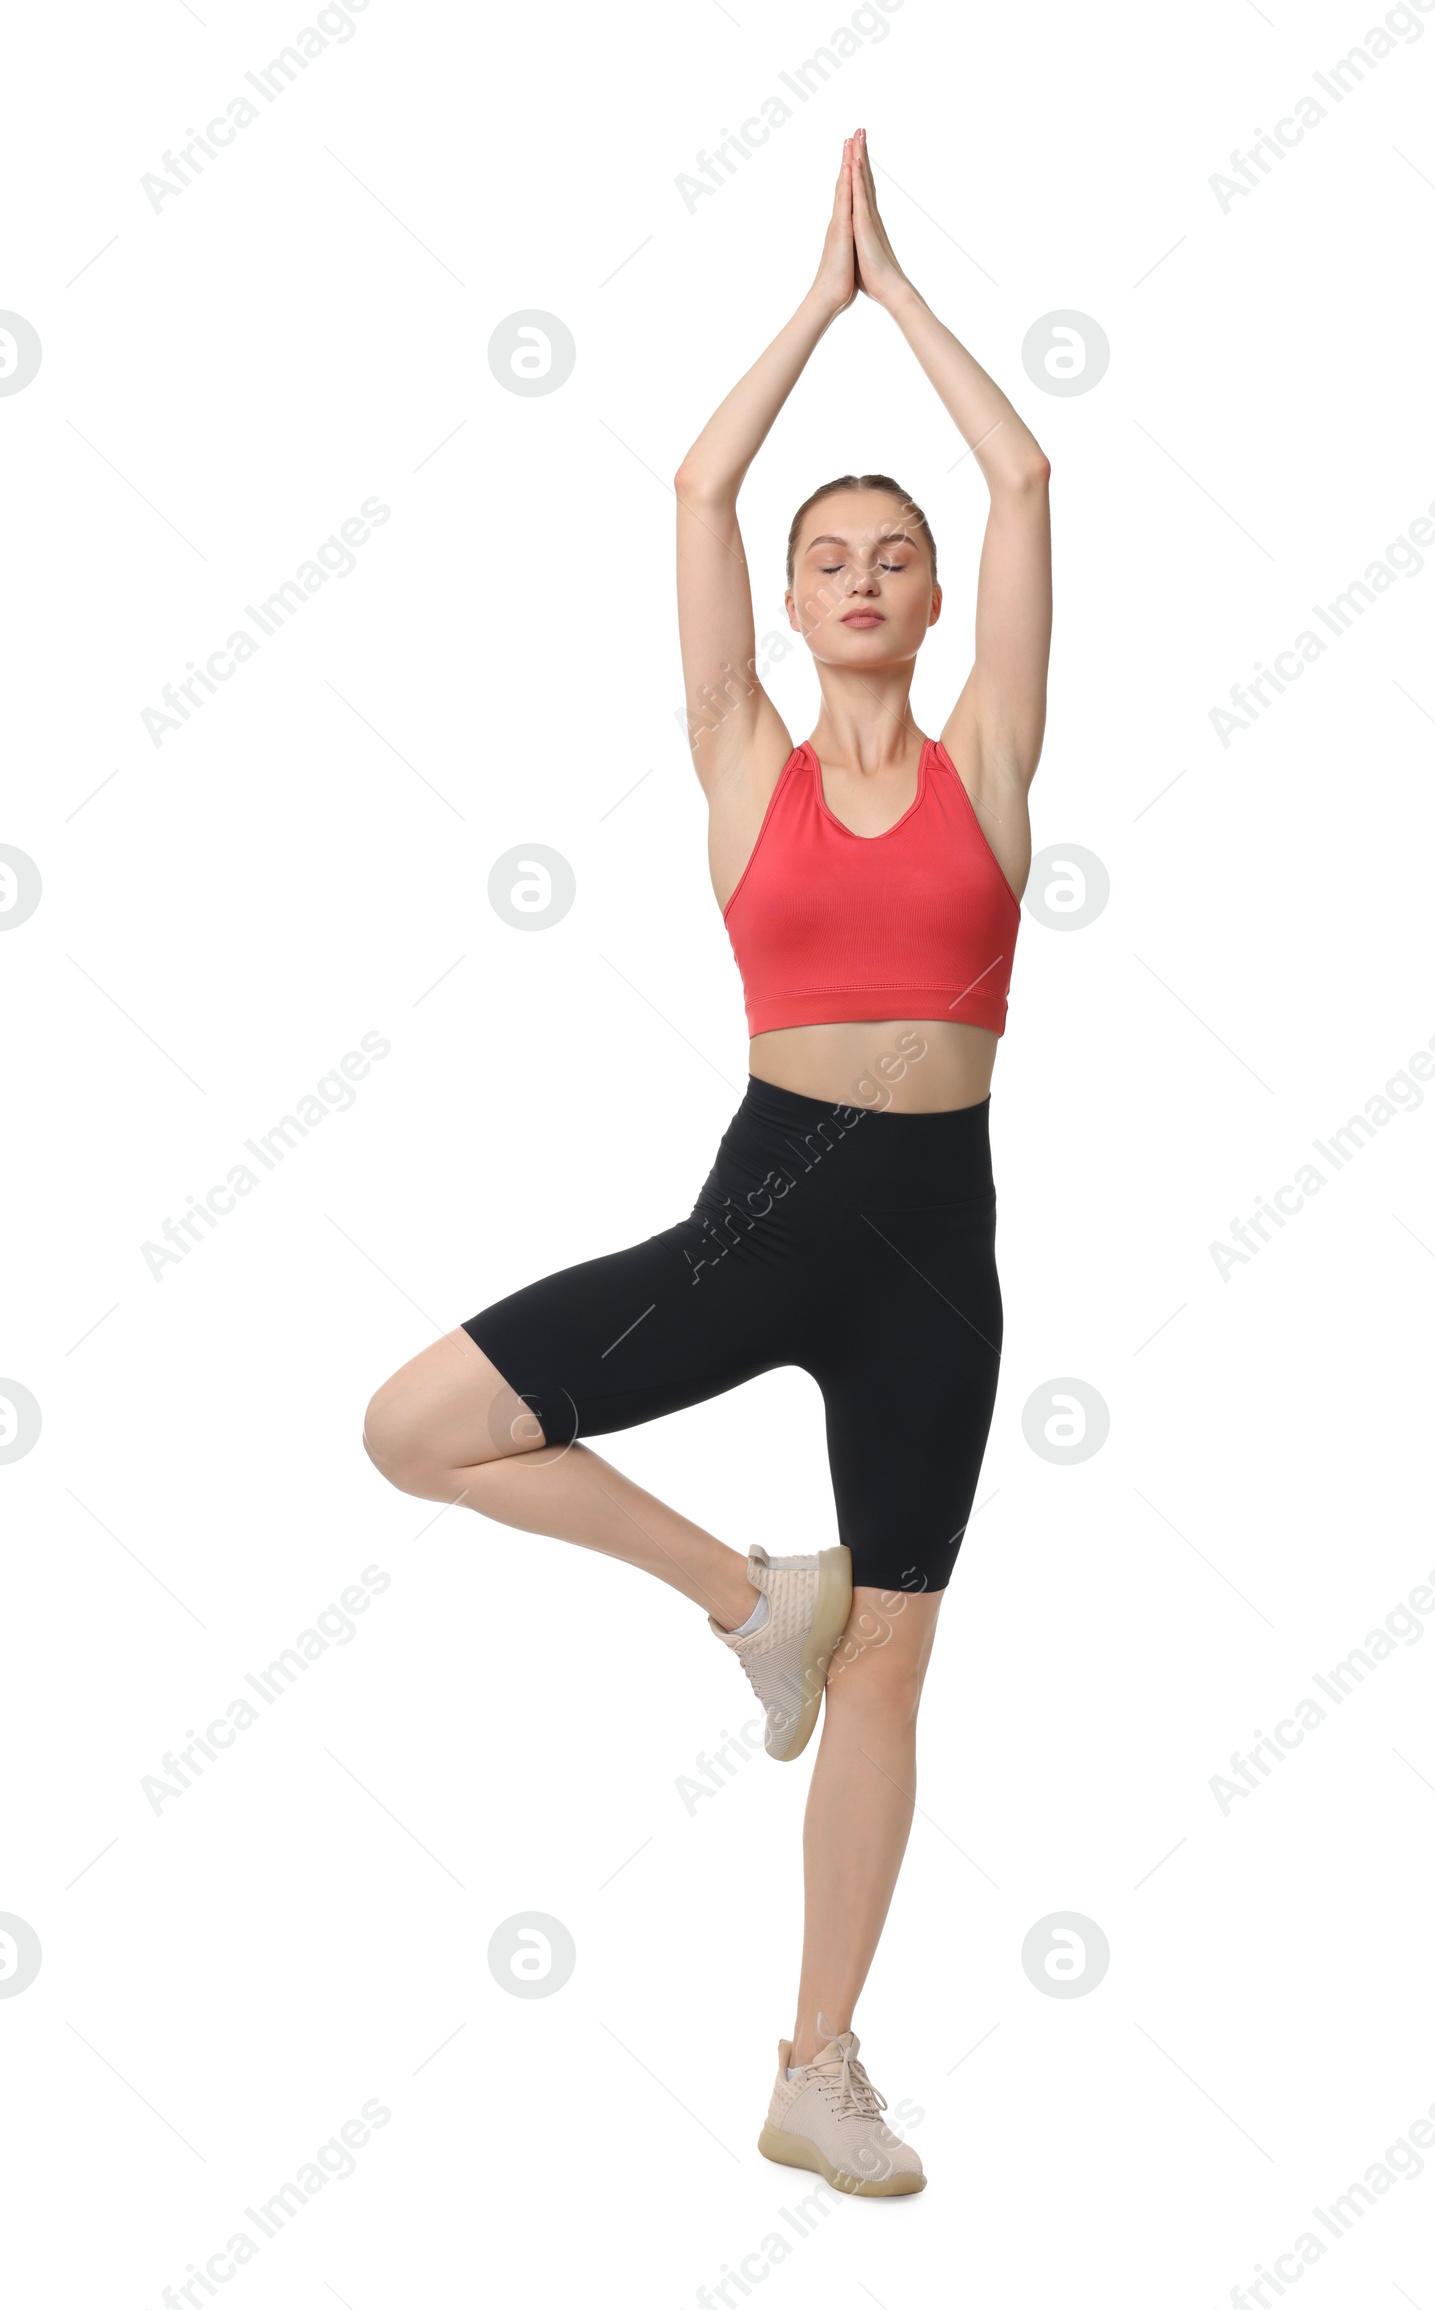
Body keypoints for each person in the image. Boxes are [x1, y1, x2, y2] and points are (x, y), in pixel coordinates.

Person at [363, 127, 1051, 2196]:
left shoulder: (989, 757)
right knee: (417, 1427)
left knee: (901, 1663)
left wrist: (903, 300)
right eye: (825, 554)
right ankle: (745, 1594)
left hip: (940, 1241)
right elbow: (688, 487)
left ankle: (815, 2063)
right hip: (769, 1210)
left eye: (888, 557)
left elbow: (1022, 484)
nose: (858, 574)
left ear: (928, 604)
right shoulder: (738, 755)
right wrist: (808, 305)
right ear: (787, 599)